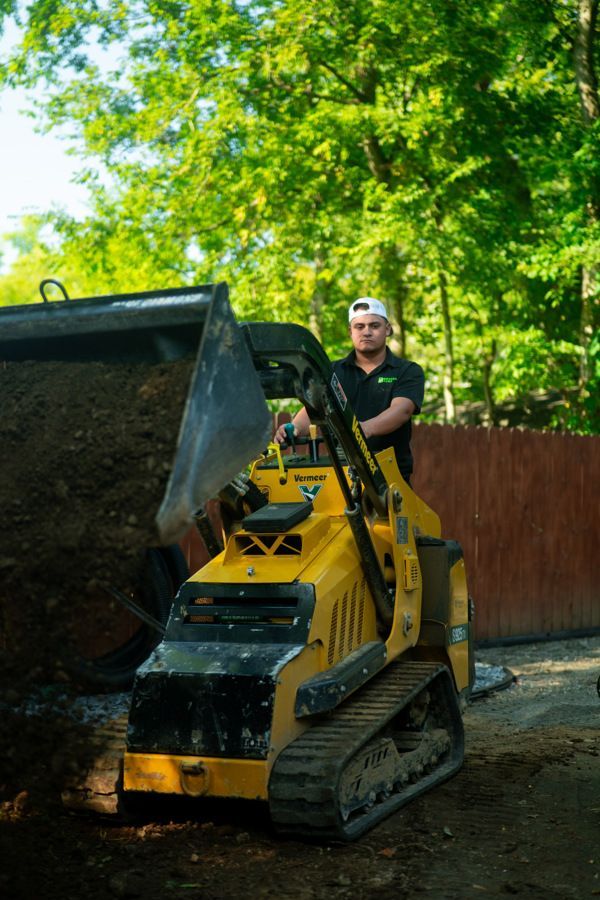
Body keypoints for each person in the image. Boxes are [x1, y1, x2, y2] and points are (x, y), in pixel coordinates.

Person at [274, 297, 425, 484]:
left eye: (374, 326)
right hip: (342, 477)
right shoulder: (332, 372)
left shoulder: (407, 371)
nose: (367, 332)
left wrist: (363, 429)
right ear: (350, 332)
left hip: (391, 477)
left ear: (387, 329)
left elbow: (402, 410)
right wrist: (293, 428)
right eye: (359, 327)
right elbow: (314, 408)